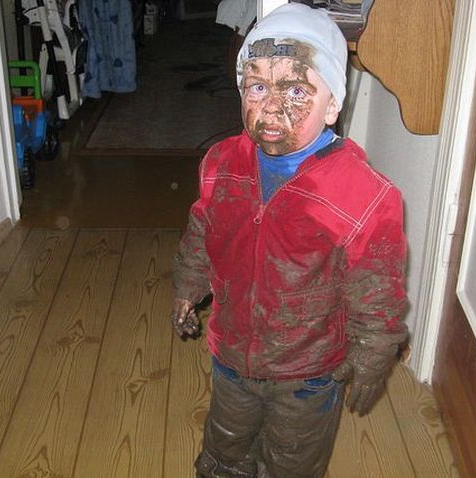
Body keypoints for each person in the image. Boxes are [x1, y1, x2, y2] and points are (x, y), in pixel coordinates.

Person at [171, 3, 407, 477]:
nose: (271, 106)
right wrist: (188, 287)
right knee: (226, 444)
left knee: (294, 458)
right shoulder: (221, 162)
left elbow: (376, 282)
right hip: (233, 353)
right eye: (257, 86)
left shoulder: (361, 193)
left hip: (309, 371)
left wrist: (374, 347)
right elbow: (202, 231)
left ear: (333, 105)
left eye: (297, 90)